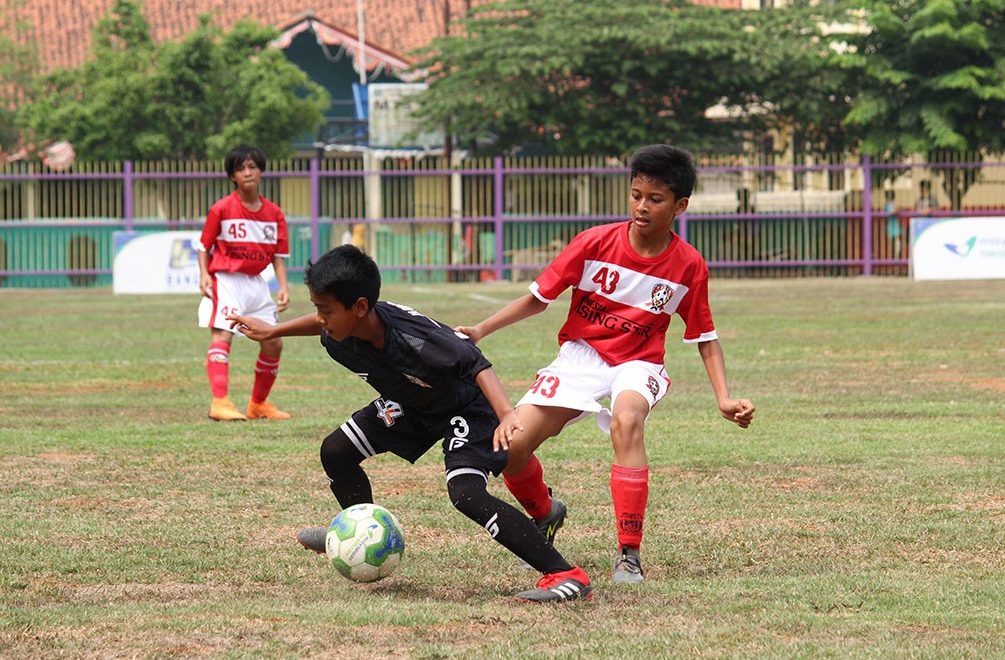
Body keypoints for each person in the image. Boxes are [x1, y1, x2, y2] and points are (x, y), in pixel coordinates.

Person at [456, 144, 756, 584]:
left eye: (655, 199)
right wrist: (481, 330)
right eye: (636, 194)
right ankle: (545, 513)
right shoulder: (594, 242)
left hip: (639, 363)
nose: (641, 206)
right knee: (511, 448)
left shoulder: (688, 266)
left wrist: (724, 398)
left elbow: (704, 339)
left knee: (627, 420)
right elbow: (538, 300)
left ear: (680, 205)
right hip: (580, 357)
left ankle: (628, 553)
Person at [228, 245, 592, 603]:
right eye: (317, 309)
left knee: (466, 494)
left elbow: (475, 365)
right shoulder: (342, 332)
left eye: (325, 310)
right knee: (336, 450)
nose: (320, 319)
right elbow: (323, 323)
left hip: (467, 405)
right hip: (414, 402)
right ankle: (357, 531)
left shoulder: (416, 339)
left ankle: (565, 574)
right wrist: (272, 331)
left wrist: (508, 414)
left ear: (359, 307)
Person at [197, 144, 291, 422]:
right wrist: (204, 275)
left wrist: (284, 287)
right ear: (232, 176)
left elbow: (278, 256)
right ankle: (220, 402)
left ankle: (258, 404)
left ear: (261, 171)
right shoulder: (221, 209)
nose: (247, 172)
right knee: (222, 336)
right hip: (226, 279)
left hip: (257, 283)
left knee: (273, 342)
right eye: (240, 168)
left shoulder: (274, 214)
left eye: (252, 166)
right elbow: (204, 247)